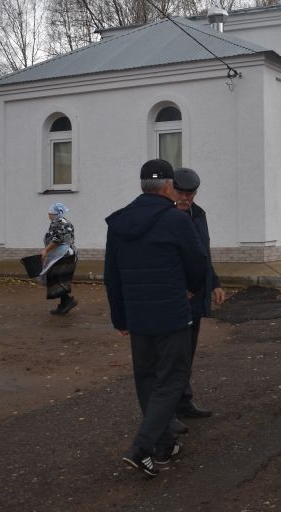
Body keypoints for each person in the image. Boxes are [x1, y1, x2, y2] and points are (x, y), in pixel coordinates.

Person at [105, 159, 208, 477]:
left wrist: (120, 317)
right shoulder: (176, 221)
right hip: (172, 314)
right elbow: (198, 263)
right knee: (172, 378)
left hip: (138, 315)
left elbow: (112, 276)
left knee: (147, 379)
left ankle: (164, 445)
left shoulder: (119, 222)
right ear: (167, 187)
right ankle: (142, 446)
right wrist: (191, 289)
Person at [170, 167, 225, 424]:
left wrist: (214, 282)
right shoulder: (166, 217)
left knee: (187, 352)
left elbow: (203, 253)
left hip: (195, 297)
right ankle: (167, 411)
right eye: (181, 192)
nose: (185, 198)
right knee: (173, 356)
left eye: (190, 194)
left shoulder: (199, 215)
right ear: (172, 189)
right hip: (174, 299)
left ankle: (184, 401)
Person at [40, 202, 78, 315]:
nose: (48, 215)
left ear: (54, 214)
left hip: (63, 255)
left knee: (54, 277)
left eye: (49, 213)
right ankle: (63, 305)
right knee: (61, 278)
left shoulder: (57, 223)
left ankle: (67, 301)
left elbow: (57, 239)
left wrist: (46, 251)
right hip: (69, 254)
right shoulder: (65, 222)